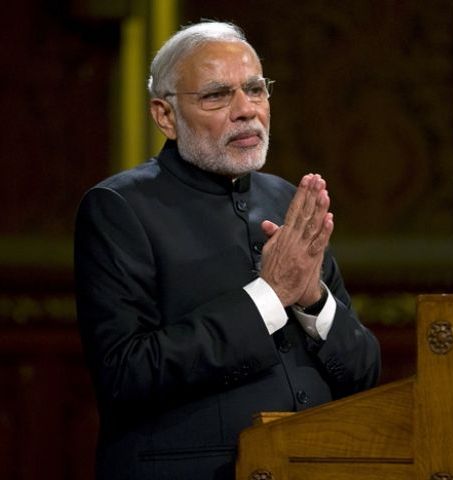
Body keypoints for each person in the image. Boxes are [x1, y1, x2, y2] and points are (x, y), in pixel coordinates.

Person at [74, 20, 380, 480]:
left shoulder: (285, 201)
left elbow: (364, 372)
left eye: (256, 90)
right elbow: (126, 375)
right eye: (217, 95)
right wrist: (269, 296)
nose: (246, 110)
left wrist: (313, 301)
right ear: (165, 116)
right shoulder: (119, 209)